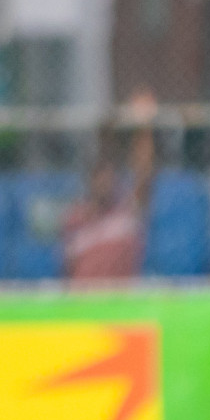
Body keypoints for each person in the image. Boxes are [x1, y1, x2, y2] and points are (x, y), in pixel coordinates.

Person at [62, 90, 157, 280]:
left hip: (120, 301)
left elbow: (144, 174)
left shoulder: (126, 210)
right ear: (89, 179)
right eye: (98, 175)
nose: (104, 181)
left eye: (108, 174)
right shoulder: (76, 218)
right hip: (84, 302)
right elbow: (68, 271)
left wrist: (143, 127)